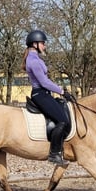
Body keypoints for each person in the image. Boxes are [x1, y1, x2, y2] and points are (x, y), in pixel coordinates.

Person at [22, 30, 72, 165]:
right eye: (43, 43)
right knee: (63, 120)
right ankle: (54, 154)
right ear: (35, 44)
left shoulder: (36, 59)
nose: (44, 46)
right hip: (40, 94)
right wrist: (61, 91)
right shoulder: (33, 61)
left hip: (44, 93)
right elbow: (44, 82)